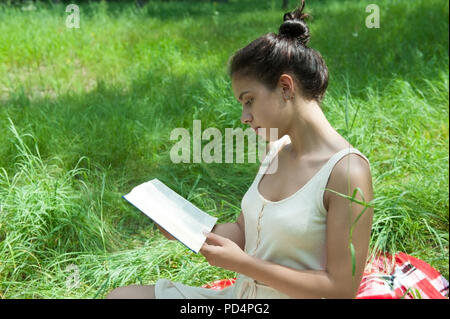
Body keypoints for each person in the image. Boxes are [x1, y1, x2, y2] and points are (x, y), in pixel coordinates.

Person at [106, 0, 374, 299]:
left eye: (249, 100)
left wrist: (246, 264)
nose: (244, 117)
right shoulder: (276, 150)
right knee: (123, 297)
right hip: (241, 298)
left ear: (285, 88)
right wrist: (188, 231)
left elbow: (341, 289)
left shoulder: (347, 172)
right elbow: (246, 235)